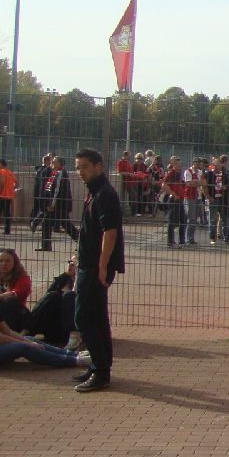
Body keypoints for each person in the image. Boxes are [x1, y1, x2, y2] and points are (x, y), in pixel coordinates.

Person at [70, 149, 125, 393]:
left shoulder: (104, 194)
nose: (80, 171)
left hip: (94, 267)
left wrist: (102, 266)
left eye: (84, 166)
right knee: (97, 316)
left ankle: (101, 370)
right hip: (89, 263)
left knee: (84, 317)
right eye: (78, 167)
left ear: (98, 167)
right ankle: (99, 365)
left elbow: (109, 232)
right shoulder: (96, 192)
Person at [0, 272, 82, 369]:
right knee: (22, 347)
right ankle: (74, 361)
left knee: (31, 339)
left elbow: (7, 331)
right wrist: (27, 344)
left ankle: (74, 354)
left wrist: (28, 341)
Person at [24, 256, 81, 349]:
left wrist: (77, 277)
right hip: (55, 326)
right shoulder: (64, 279)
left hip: (74, 326)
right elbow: (46, 298)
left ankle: (75, 337)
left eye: (75, 263)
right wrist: (65, 276)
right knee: (52, 295)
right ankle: (27, 330)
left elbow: (77, 298)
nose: (71, 265)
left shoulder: (86, 280)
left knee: (69, 295)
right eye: (70, 262)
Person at [37, 156, 78, 251]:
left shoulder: (60, 174)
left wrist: (51, 204)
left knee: (66, 225)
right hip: (57, 205)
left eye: (54, 162)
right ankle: (46, 245)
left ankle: (82, 242)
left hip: (58, 206)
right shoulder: (54, 173)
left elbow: (56, 191)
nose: (52, 163)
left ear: (60, 164)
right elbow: (48, 189)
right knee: (48, 223)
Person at [0, 248, 32, 330]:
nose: (3, 264)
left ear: (15, 263)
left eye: (8, 261)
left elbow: (17, 293)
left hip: (15, 314)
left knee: (7, 299)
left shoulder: (23, 278)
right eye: (0, 261)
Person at [162, 157, 187, 247]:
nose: (179, 166)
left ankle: (182, 241)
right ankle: (170, 242)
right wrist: (173, 194)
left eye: (180, 165)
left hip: (180, 199)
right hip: (174, 199)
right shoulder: (171, 174)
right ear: (173, 165)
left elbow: (184, 184)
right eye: (177, 164)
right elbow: (164, 185)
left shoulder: (180, 174)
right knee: (172, 221)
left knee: (183, 220)